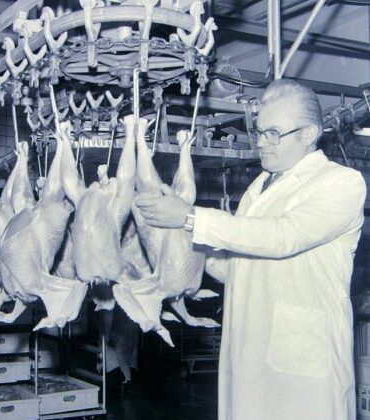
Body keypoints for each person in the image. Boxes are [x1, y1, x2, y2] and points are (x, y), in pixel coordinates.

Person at [136, 79, 366, 420]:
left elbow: (283, 237)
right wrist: (181, 242)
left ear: (309, 134)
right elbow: (238, 268)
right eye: (258, 132)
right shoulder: (259, 187)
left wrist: (190, 217)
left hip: (303, 360)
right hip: (249, 350)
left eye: (274, 133)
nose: (260, 142)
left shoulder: (340, 182)